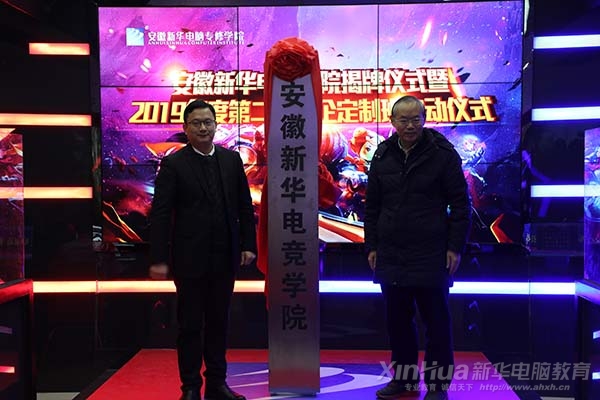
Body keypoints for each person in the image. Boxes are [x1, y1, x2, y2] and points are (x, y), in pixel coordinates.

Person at [364, 96, 471, 400]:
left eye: (415, 119)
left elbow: (460, 204)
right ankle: (404, 380)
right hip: (391, 252)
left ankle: (437, 386)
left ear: (424, 120)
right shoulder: (382, 154)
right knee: (397, 322)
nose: (410, 125)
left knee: (437, 322)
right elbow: (372, 206)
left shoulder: (442, 154)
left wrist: (455, 247)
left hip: (432, 252)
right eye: (403, 120)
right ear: (392, 122)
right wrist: (371, 246)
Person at [148, 99, 257, 400]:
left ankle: (217, 385)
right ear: (186, 128)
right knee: (190, 325)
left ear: (216, 125)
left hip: (225, 256)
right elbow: (161, 214)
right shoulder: (174, 164)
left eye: (208, 122)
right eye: (196, 123)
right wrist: (158, 258)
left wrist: (248, 244)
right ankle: (190, 387)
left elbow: (244, 206)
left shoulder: (231, 160)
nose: (203, 128)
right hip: (189, 258)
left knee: (220, 323)